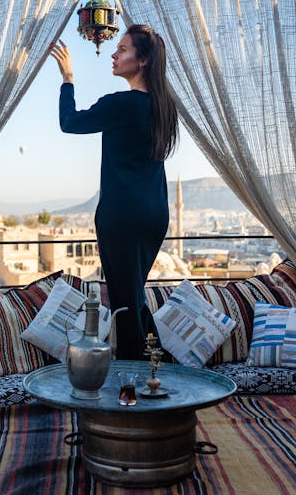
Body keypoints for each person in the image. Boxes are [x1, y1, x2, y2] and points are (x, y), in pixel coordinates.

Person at [49, 24, 178, 360]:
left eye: (122, 49)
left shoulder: (121, 104)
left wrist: (67, 78)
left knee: (124, 302)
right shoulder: (165, 107)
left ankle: (134, 387)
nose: (114, 54)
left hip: (121, 215)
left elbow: (70, 122)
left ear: (144, 60)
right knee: (133, 295)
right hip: (154, 215)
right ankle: (155, 367)